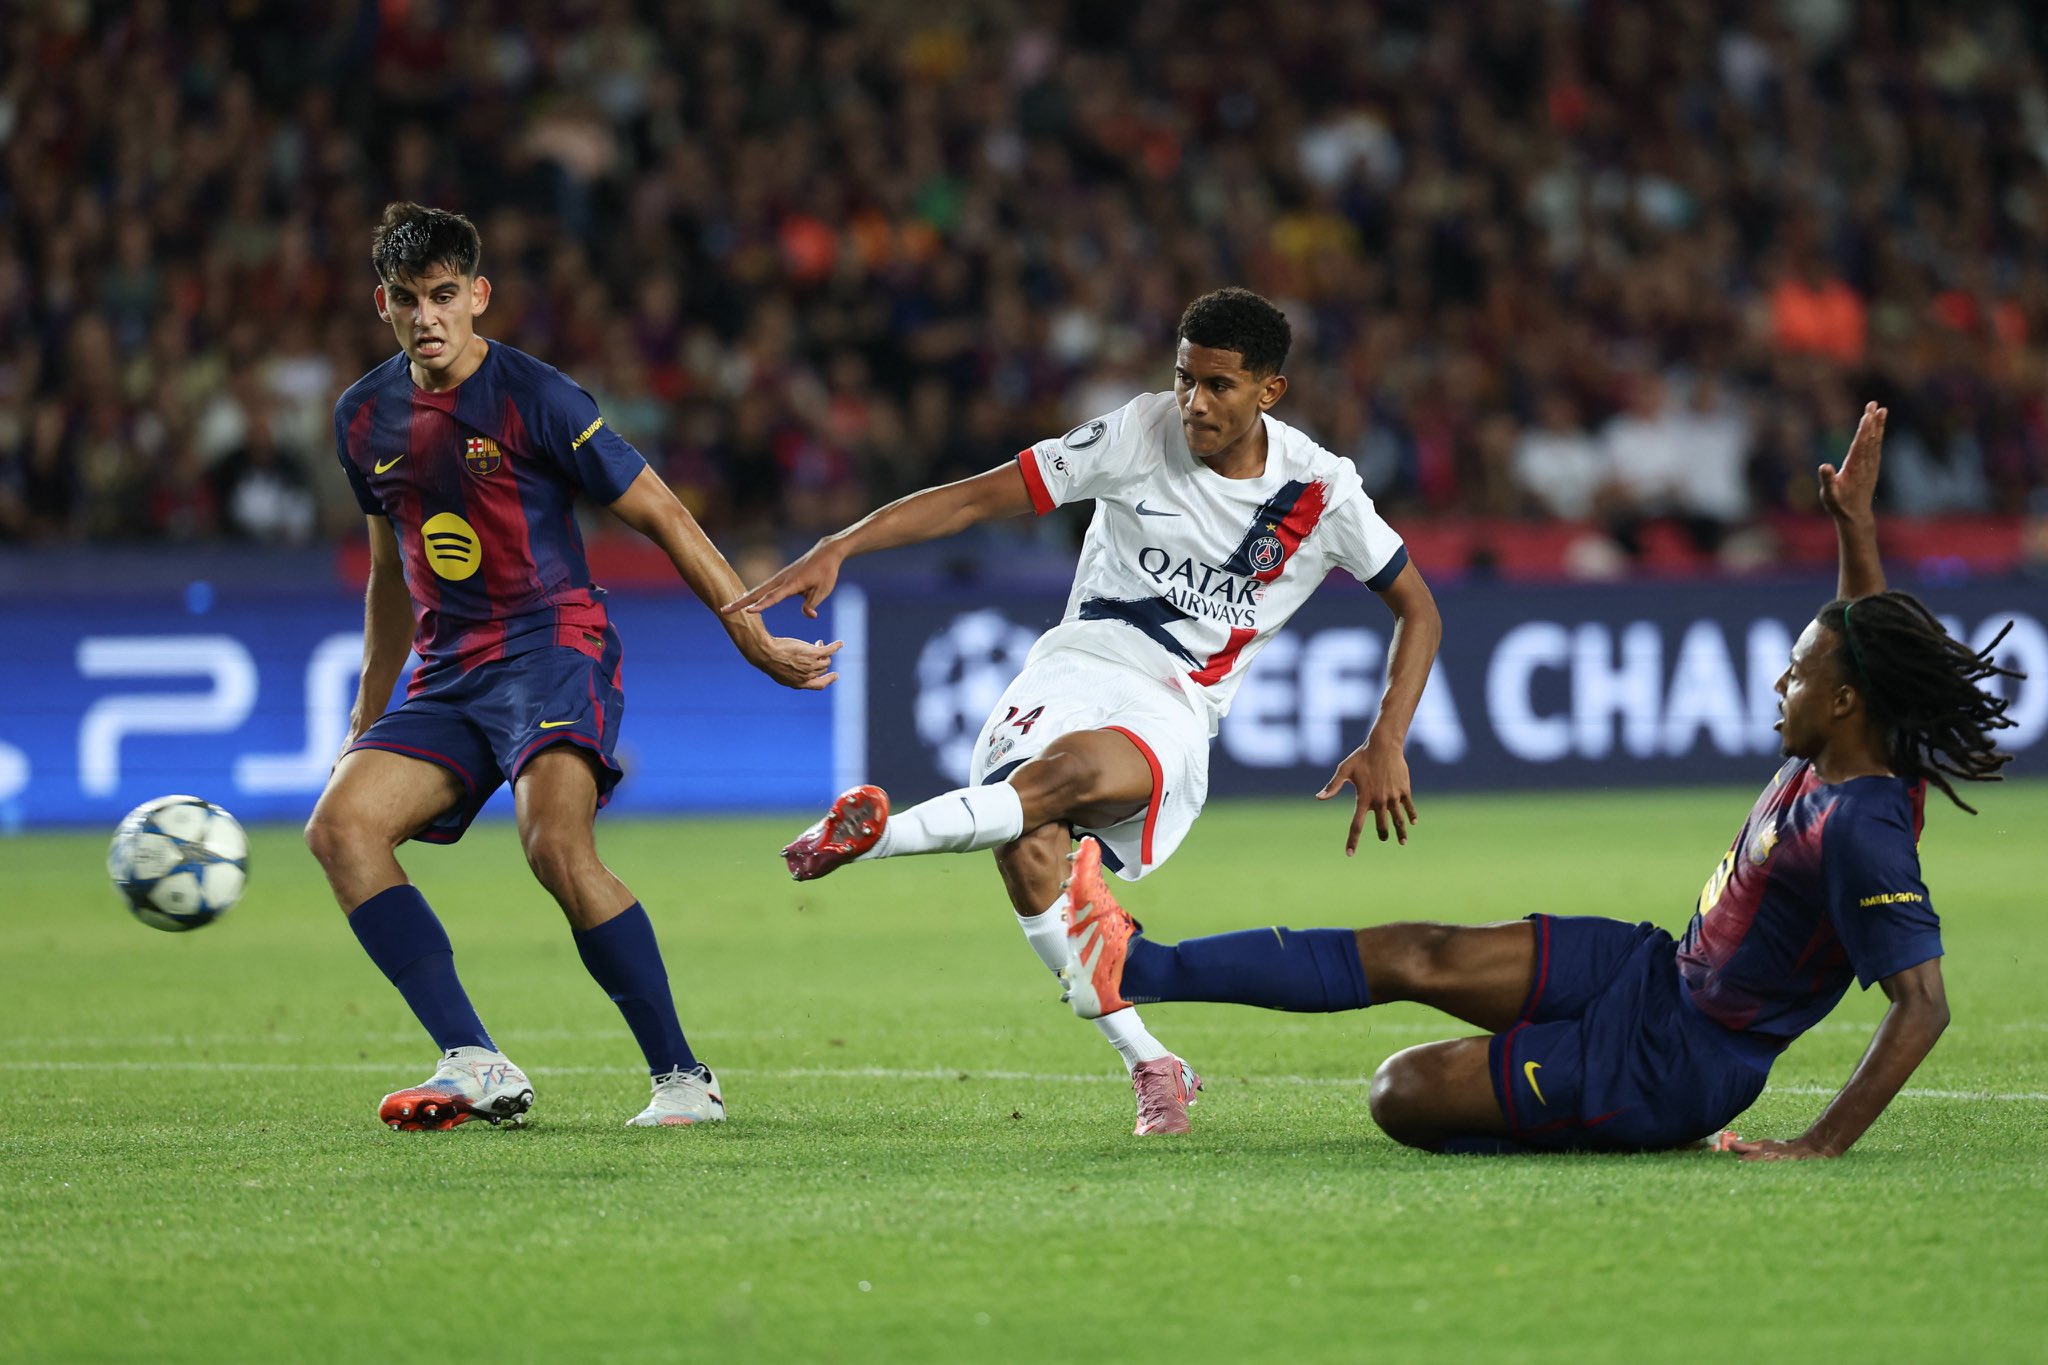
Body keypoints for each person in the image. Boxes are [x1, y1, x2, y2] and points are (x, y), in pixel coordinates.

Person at [1058, 403, 2022, 1157]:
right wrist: (1855, 525)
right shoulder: (1841, 738)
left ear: (1847, 703)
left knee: (1400, 1093)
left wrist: (1819, 1144)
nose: (1782, 681)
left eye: (1800, 674)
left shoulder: (1863, 823)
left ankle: (1606, 1119)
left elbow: (1923, 1003)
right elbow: (1856, 635)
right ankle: (1138, 964)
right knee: (1420, 950)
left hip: (1678, 1061)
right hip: (1656, 972)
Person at [727, 288, 1442, 1135]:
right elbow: (973, 498)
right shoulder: (1137, 433)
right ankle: (1152, 1062)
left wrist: (1386, 737)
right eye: (1184, 379)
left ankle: (872, 836)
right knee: (1026, 850)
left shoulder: (1321, 492)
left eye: (1218, 385)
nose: (1193, 402)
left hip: (1173, 697)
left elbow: (1419, 608)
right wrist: (841, 543)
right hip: (1070, 665)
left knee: (1060, 781)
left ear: (1269, 392)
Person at [305, 203, 840, 1131]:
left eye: (443, 296)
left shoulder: (539, 398)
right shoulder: (363, 417)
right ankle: (472, 1061)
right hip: (447, 671)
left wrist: (748, 632)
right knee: (340, 827)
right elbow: (391, 572)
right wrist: (367, 714)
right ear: (381, 304)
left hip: (554, 647)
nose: (426, 317)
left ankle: (683, 1077)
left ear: (478, 295)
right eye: (405, 300)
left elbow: (666, 513)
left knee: (554, 844)